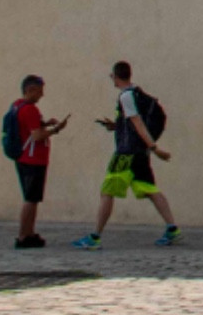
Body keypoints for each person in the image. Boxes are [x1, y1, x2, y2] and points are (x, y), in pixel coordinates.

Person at [76, 62, 178, 247]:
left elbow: (138, 123)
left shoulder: (126, 97)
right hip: (139, 153)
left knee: (107, 191)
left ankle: (94, 237)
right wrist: (116, 126)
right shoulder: (138, 94)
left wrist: (155, 149)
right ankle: (172, 228)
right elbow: (133, 123)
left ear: (115, 77)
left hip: (126, 153)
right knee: (150, 189)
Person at [7, 74, 66, 248]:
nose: (42, 95)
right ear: (30, 90)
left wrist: (45, 123)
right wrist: (55, 130)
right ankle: (24, 235)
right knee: (30, 199)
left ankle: (29, 232)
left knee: (32, 198)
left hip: (24, 158)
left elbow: (28, 128)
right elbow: (37, 135)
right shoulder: (30, 109)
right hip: (33, 159)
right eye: (39, 91)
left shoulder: (17, 106)